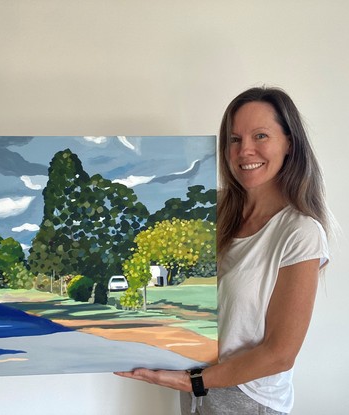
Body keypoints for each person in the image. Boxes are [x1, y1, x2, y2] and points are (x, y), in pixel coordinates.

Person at [115, 86, 330, 414]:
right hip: (195, 392)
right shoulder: (211, 210)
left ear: (289, 143)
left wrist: (195, 381)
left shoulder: (299, 232)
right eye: (234, 139)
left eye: (260, 136)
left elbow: (280, 353)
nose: (245, 150)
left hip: (248, 400)